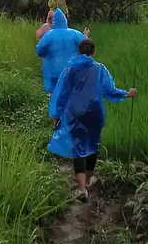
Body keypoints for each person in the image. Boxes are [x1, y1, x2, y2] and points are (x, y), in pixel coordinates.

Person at [47, 38, 136, 202]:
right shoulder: (100, 68)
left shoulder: (70, 69)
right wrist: (127, 93)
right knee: (93, 145)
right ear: (93, 52)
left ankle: (81, 189)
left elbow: (62, 93)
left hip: (75, 112)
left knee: (78, 147)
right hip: (95, 112)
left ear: (79, 51)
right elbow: (110, 90)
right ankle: (88, 181)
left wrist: (57, 114)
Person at [35, 8, 86, 95]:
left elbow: (39, 49)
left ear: (54, 22)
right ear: (65, 20)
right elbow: (86, 46)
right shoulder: (75, 33)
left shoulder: (48, 35)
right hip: (71, 69)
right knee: (70, 92)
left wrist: (45, 54)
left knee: (53, 93)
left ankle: (53, 104)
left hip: (52, 70)